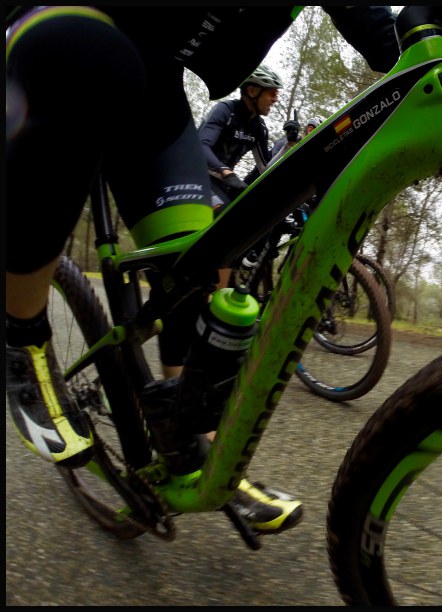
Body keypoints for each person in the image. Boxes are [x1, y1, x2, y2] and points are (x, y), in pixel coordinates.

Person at [6, 5, 399, 535]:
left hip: (154, 89)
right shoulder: (227, 115)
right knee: (94, 54)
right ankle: (20, 336)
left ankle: (192, 445)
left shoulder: (254, 122)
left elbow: (383, 32)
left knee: (197, 271)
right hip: (63, 29)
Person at [199, 65, 284, 215]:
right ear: (252, 91)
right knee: (223, 214)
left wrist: (289, 145)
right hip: (197, 176)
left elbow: (265, 168)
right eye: (272, 93)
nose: (275, 99)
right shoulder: (225, 110)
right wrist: (226, 172)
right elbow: (201, 147)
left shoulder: (259, 128)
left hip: (223, 183)